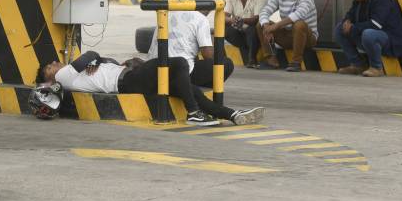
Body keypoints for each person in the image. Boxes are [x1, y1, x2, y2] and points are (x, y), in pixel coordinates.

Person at [38, 51, 264, 126]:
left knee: (189, 89)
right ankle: (195, 114)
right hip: (127, 82)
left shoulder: (73, 73)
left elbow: (100, 59)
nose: (54, 64)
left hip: (129, 77)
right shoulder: (63, 76)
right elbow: (87, 56)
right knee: (178, 63)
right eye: (49, 67)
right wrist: (93, 59)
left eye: (53, 63)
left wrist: (97, 60)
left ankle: (232, 115)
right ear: (47, 81)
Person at [146, 0, 235, 88]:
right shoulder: (201, 19)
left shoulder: (169, 12)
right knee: (226, 64)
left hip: (153, 69)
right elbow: (208, 56)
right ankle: (201, 89)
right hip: (179, 73)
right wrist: (215, 39)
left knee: (192, 55)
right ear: (209, 6)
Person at [335, 0, 402, 77]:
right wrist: (347, 21)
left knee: (368, 34)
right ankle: (357, 65)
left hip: (390, 41)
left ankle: (376, 67)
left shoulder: (382, 0)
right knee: (339, 29)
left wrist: (353, 27)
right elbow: (350, 14)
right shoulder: (359, 0)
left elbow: (375, 25)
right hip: (367, 35)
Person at [257, 0, 318, 72]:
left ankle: (296, 62)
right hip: (289, 37)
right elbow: (264, 11)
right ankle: (271, 59)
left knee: (299, 24)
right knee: (260, 24)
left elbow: (298, 15)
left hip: (307, 39)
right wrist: (266, 26)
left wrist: (275, 26)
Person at [224, 0, 267, 68]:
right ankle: (220, 57)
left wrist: (241, 20)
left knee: (253, 28)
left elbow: (257, 19)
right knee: (222, 27)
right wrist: (232, 20)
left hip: (255, 32)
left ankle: (252, 58)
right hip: (239, 31)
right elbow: (224, 16)